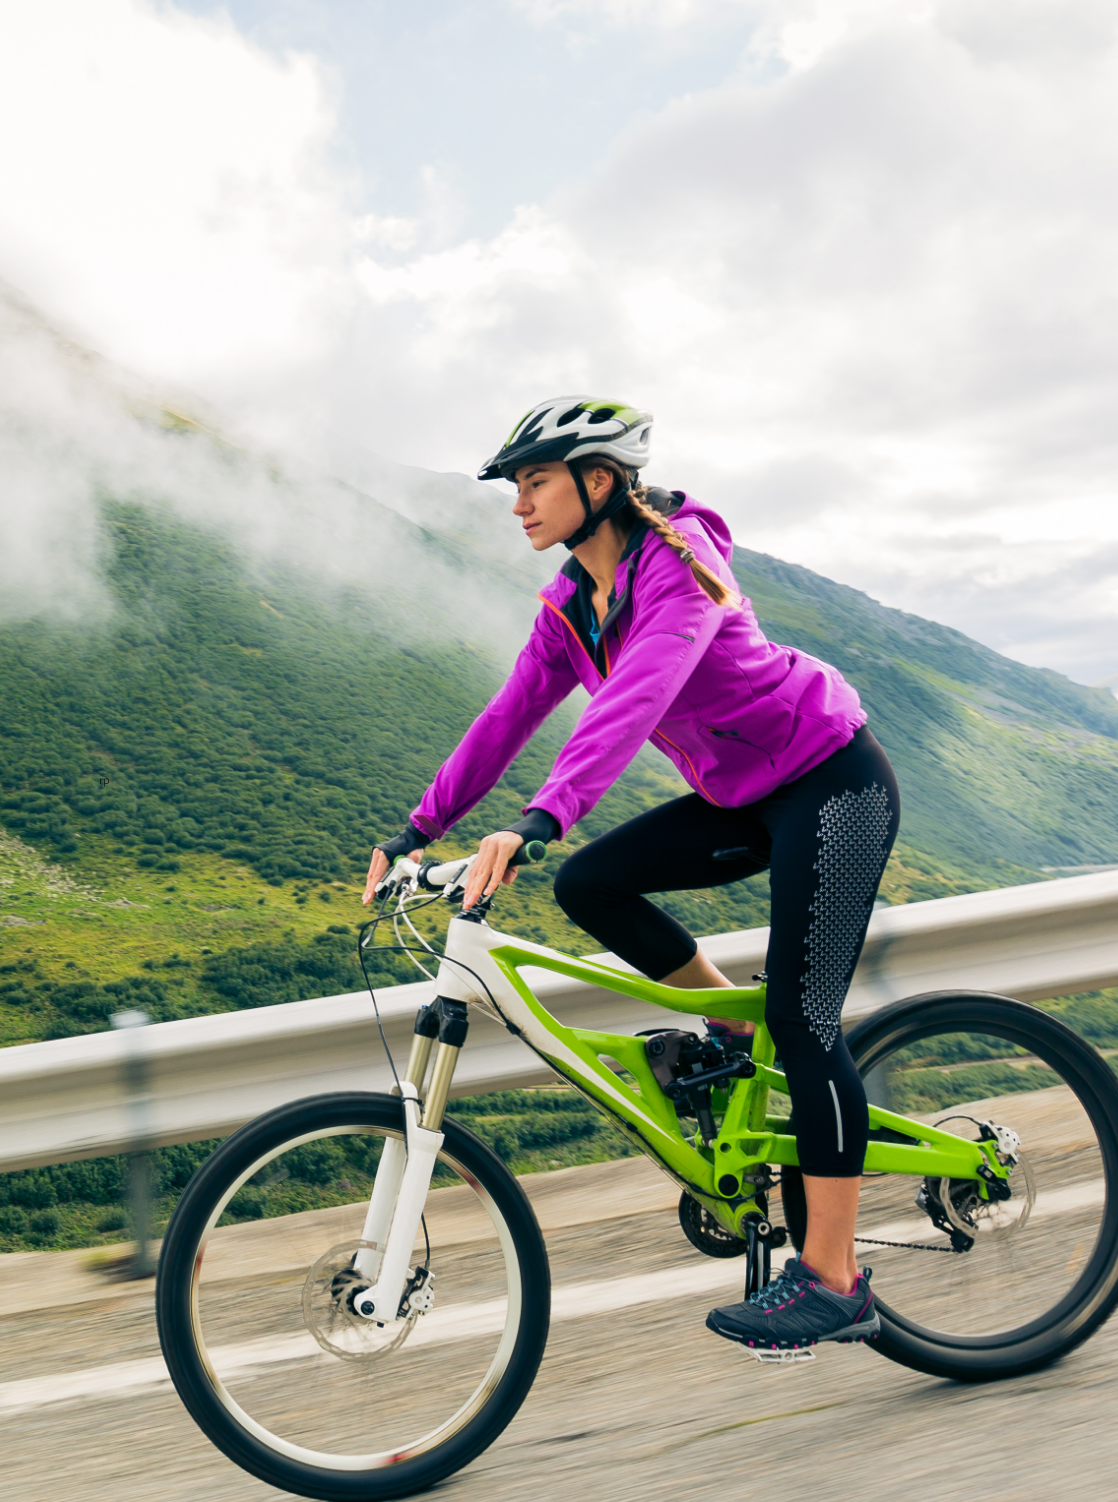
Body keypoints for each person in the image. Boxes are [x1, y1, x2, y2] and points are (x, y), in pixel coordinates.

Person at [362, 396, 901, 1356]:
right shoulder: (573, 603)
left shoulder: (682, 569)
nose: (518, 504)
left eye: (535, 482)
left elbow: (638, 696)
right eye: (516, 486)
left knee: (806, 1024)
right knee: (592, 886)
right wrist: (416, 827)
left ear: (598, 482)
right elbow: (508, 715)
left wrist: (539, 820)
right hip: (741, 796)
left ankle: (834, 1277)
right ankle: (732, 1030)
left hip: (829, 781)